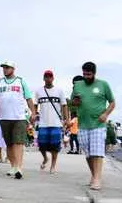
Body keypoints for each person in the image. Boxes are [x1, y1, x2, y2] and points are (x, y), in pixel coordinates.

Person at [72, 62, 115, 190]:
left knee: (97, 152)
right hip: (83, 124)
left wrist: (106, 114)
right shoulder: (78, 85)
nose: (86, 76)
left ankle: (97, 179)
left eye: (89, 74)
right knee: (88, 153)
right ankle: (94, 175)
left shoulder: (103, 84)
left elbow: (112, 102)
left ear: (94, 73)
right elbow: (73, 103)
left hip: (98, 124)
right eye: (84, 74)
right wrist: (76, 101)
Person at [0, 60, 34, 180]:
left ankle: (19, 167)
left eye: (7, 67)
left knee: (18, 142)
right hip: (4, 117)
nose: (5, 69)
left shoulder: (20, 81)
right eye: (4, 67)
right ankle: (13, 166)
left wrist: (33, 112)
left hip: (19, 117)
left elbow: (29, 98)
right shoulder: (0, 82)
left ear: (13, 69)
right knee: (8, 143)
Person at [33, 70, 69, 174]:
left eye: (50, 77)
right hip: (43, 123)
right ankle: (45, 158)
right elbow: (35, 104)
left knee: (55, 146)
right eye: (46, 77)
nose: (48, 78)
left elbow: (64, 105)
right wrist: (34, 114)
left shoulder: (59, 91)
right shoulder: (38, 91)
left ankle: (53, 166)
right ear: (43, 78)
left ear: (53, 78)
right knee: (41, 145)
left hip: (56, 123)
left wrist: (66, 119)